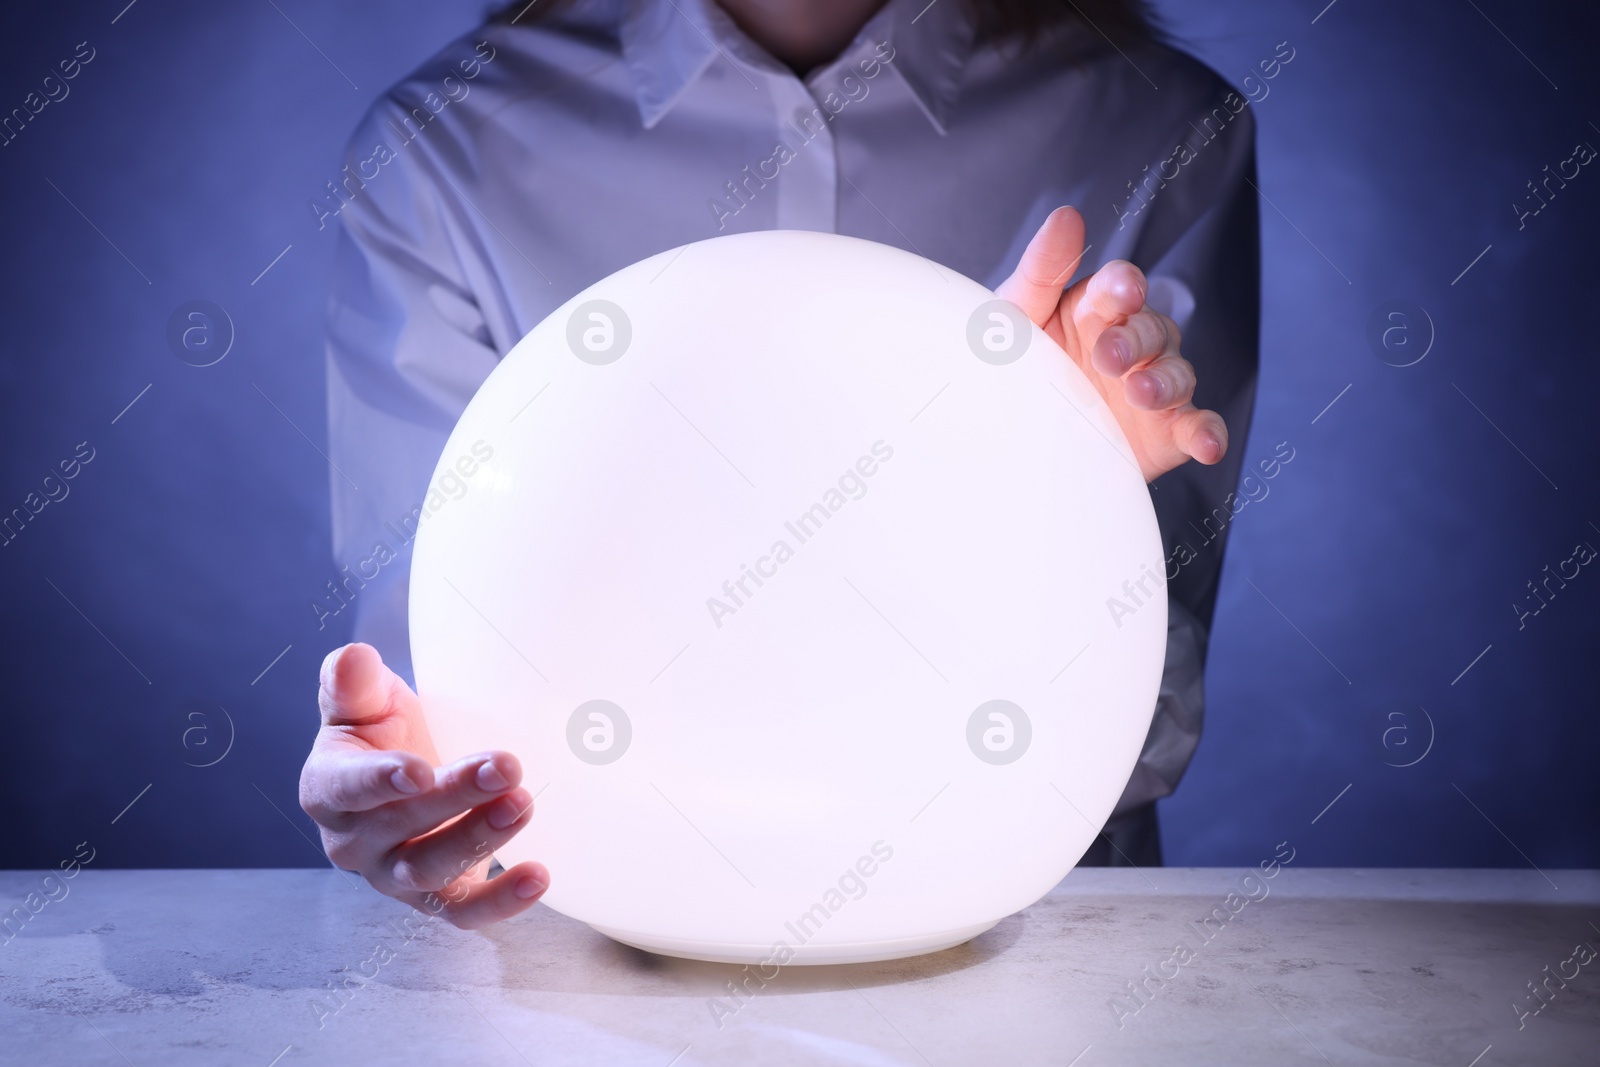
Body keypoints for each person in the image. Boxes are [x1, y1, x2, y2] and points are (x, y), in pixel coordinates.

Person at [299, 0, 1258, 928]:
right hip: (586, 959)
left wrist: (1072, 506)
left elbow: (1139, 715)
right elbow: (441, 687)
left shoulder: (1157, 125)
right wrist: (407, 782)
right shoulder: (446, 148)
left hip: (1035, 955)